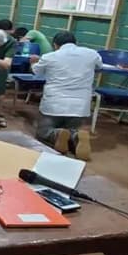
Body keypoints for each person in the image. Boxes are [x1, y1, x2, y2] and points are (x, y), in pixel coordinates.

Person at [31, 31, 101, 161]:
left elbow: (36, 72)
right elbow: (100, 66)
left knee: (43, 131)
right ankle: (75, 136)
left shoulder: (49, 56)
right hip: (80, 105)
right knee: (72, 127)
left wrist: (34, 62)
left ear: (55, 45)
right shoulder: (92, 54)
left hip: (54, 103)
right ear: (76, 43)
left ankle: (57, 134)